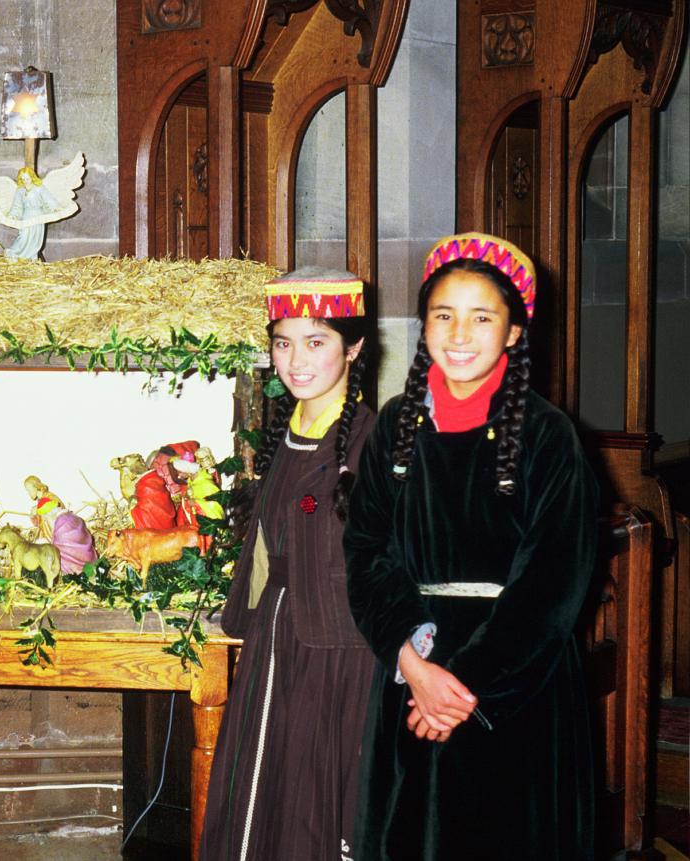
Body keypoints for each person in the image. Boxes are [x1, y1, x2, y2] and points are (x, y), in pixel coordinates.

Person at [344, 233, 597, 860]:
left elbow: (551, 584)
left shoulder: (548, 436)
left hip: (511, 686)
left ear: (514, 331)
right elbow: (367, 553)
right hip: (413, 668)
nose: (459, 334)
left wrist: (460, 687)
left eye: (482, 317)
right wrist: (411, 662)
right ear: (424, 325)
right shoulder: (395, 426)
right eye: (443, 315)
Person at [200, 268, 375, 860]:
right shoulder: (285, 435)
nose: (295, 361)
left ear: (354, 347)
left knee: (312, 808)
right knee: (260, 800)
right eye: (283, 343)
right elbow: (264, 548)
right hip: (273, 643)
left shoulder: (373, 443)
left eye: (316, 341)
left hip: (338, 656)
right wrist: (241, 622)